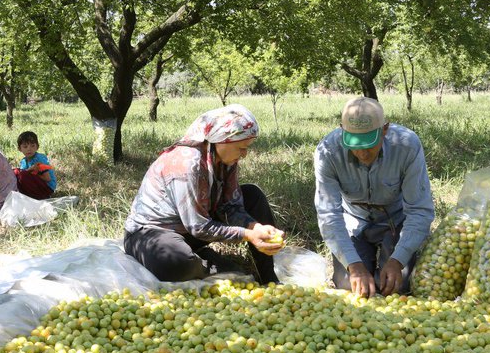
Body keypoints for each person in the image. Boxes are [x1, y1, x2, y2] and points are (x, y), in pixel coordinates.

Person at [124, 104, 284, 284]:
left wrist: (256, 227)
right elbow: (198, 226)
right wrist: (247, 234)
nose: (244, 154)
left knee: (253, 195)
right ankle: (206, 264)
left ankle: (269, 278)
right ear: (222, 140)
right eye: (241, 148)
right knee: (175, 264)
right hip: (153, 233)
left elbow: (230, 206)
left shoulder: (225, 159)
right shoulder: (187, 164)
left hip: (192, 228)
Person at [314, 96, 435, 298]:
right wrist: (354, 265)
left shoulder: (407, 146)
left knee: (397, 285)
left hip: (395, 221)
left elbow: (419, 210)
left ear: (385, 130)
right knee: (349, 288)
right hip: (353, 221)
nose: (362, 153)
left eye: (368, 144)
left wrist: (398, 260)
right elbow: (329, 215)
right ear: (343, 131)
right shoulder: (328, 152)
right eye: (354, 144)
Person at [14, 131, 57, 200]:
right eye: (25, 146)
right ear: (19, 149)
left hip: (47, 188)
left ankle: (40, 196)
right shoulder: (23, 161)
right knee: (15, 172)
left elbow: (47, 178)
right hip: (36, 184)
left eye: (32, 146)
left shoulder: (39, 159)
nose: (29, 149)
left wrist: (30, 173)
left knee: (23, 174)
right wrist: (29, 171)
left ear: (37, 147)